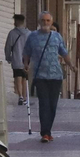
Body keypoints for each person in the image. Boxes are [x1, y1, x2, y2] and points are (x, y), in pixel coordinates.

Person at [24, 11, 69, 142]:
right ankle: (45, 132)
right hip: (40, 75)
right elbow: (26, 52)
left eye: (48, 21)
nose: (45, 23)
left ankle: (48, 131)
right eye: (43, 20)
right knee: (44, 103)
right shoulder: (32, 36)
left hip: (56, 75)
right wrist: (26, 65)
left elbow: (64, 52)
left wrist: (71, 65)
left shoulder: (57, 37)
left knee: (53, 105)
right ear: (39, 22)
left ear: (51, 22)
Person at [4, 13, 31, 106]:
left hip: (16, 59)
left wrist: (8, 57)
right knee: (24, 79)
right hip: (26, 61)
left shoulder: (12, 33)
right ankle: (24, 97)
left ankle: (20, 96)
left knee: (17, 78)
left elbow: (8, 47)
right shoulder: (29, 34)